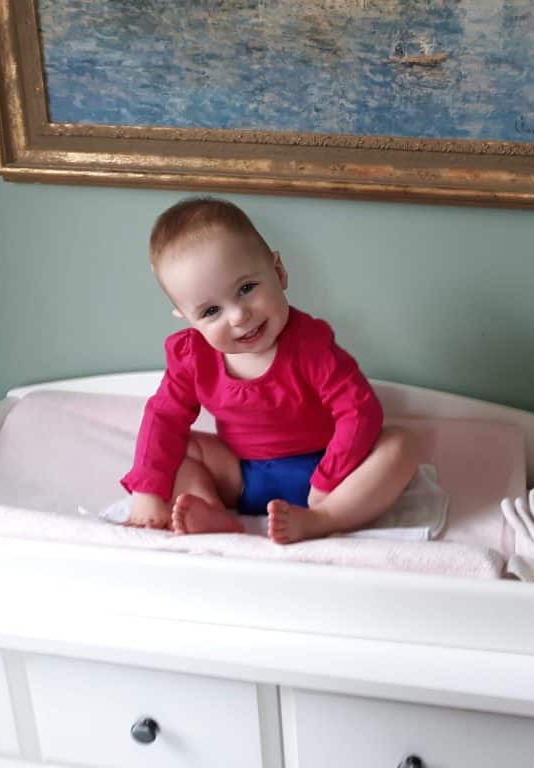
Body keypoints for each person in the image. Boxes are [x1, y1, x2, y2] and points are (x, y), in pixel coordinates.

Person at [120, 197, 419, 543]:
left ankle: (324, 519)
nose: (238, 316)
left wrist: (327, 480)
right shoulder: (192, 357)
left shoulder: (310, 346)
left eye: (246, 289)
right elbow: (163, 418)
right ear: (187, 319)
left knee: (401, 444)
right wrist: (148, 493)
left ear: (278, 272)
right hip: (242, 475)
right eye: (210, 311)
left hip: (326, 472)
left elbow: (359, 410)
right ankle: (208, 508)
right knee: (178, 447)